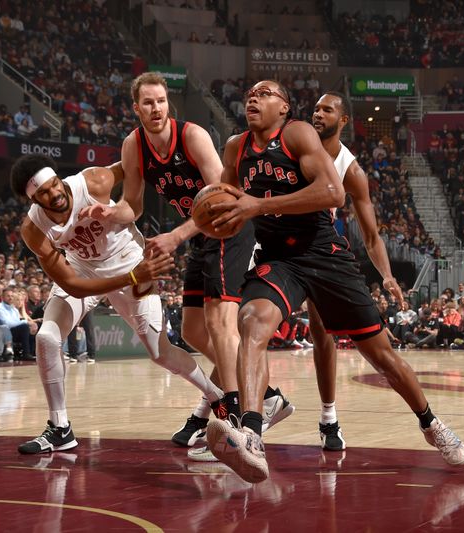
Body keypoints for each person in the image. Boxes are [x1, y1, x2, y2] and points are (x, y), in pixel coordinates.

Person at [205, 80, 464, 483]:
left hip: (325, 256)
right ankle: (252, 436)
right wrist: (185, 231)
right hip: (279, 259)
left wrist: (259, 205)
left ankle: (431, 424)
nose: (253, 97)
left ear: (284, 107)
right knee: (252, 322)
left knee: (381, 356)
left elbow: (333, 194)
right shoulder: (235, 149)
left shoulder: (298, 135)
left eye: (265, 93)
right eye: (250, 93)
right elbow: (225, 201)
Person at [103, 72, 293, 461]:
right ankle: (268, 397)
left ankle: (241, 424)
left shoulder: (191, 136)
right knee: (192, 331)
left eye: (160, 101)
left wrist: (174, 236)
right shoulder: (133, 145)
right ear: (135, 108)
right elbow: (133, 204)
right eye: (147, 103)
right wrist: (108, 214)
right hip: (199, 235)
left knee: (221, 324)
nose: (155, 108)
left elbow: (223, 196)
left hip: (229, 227)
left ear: (167, 104)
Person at [10, 154, 223, 454]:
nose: (55, 193)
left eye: (55, 184)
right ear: (32, 200)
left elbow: (133, 166)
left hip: (128, 258)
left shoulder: (93, 180)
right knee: (46, 337)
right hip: (87, 271)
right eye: (44, 193)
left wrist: (127, 208)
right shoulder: (34, 230)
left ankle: (218, 398)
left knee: (159, 352)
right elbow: (73, 285)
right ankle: (60, 428)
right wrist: (132, 277)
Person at [307, 91, 404, 451]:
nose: (318, 113)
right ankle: (216, 408)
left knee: (321, 332)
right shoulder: (295, 140)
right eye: (315, 108)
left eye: (327, 109)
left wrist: (387, 276)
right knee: (246, 324)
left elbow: (371, 235)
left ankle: (329, 419)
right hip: (274, 240)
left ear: (343, 120)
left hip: (315, 249)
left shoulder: (351, 169)